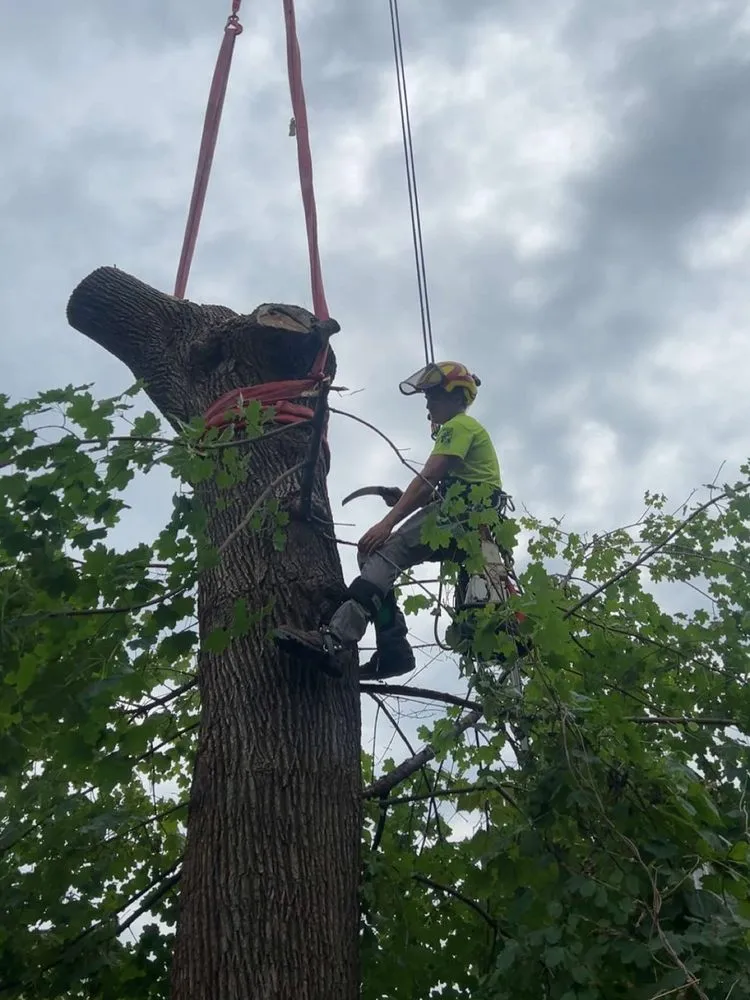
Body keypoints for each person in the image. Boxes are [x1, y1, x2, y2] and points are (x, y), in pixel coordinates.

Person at [274, 362, 503, 678]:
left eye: (433, 395)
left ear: (455, 396)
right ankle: (392, 648)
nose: (427, 403)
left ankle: (336, 640)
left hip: (463, 514)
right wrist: (410, 500)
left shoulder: (458, 426)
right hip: (470, 521)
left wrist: (388, 522)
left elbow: (427, 480)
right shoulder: (466, 431)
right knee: (372, 555)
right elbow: (445, 489)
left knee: (383, 551)